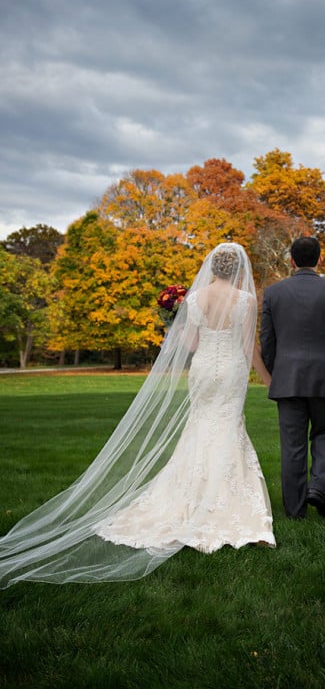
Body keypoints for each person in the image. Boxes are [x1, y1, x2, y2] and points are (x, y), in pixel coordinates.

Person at [0, 243, 275, 589]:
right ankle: (224, 499)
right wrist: (267, 379)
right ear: (237, 269)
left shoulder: (194, 298)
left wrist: (172, 319)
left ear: (212, 268)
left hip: (204, 370)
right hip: (232, 371)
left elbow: (189, 346)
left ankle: (193, 495)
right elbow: (248, 345)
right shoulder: (247, 301)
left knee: (201, 426)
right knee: (228, 427)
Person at [260, 236, 325, 519]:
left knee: (292, 444)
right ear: (319, 259)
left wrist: (278, 371)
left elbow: (267, 340)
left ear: (291, 260)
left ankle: (294, 511)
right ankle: (318, 486)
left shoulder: (273, 293)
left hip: (288, 379)